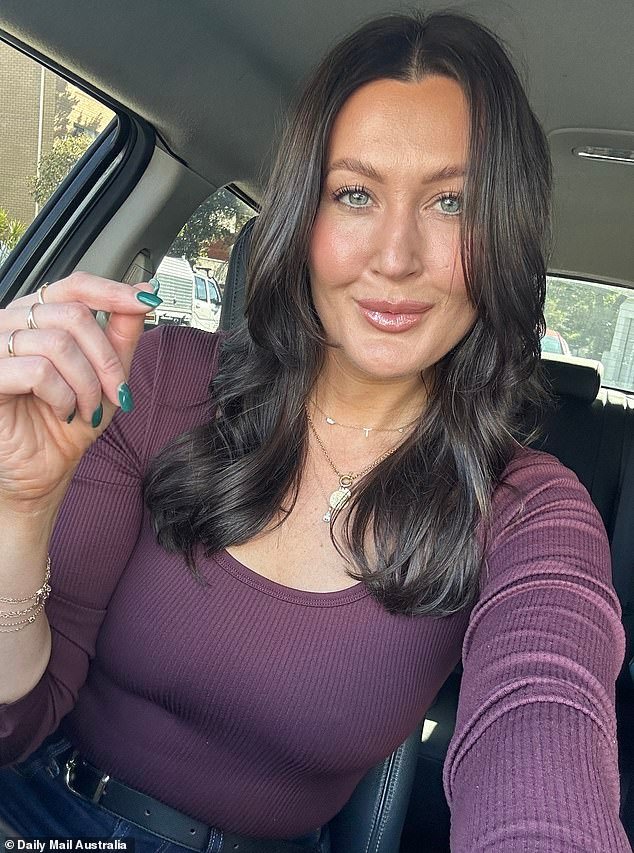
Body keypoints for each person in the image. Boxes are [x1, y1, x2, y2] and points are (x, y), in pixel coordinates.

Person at [0, 11, 629, 852]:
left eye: (453, 202)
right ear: (303, 217)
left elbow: (545, 719)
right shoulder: (159, 379)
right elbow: (16, 722)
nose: (395, 257)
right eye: (355, 194)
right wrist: (19, 510)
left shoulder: (530, 510)